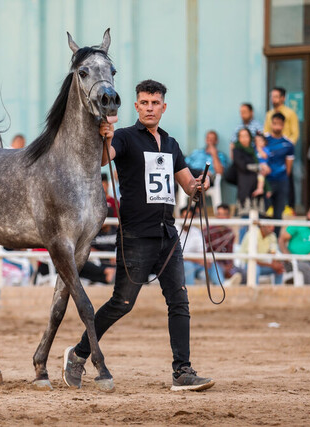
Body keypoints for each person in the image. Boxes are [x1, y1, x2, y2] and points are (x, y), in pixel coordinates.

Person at [63, 79, 214, 392]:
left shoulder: (171, 145)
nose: (149, 108)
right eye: (144, 103)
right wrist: (104, 137)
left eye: (155, 103)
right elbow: (105, 158)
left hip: (167, 235)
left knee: (179, 301)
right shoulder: (125, 138)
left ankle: (182, 371)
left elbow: (187, 184)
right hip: (135, 235)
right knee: (122, 303)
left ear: (163, 107)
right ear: (136, 106)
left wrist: (200, 185)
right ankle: (78, 354)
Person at [264, 87, 299, 210]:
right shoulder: (269, 114)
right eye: (272, 96)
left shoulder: (290, 113)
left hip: (285, 152)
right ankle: (269, 207)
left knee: (287, 177)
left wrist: (285, 148)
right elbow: (265, 133)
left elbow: (295, 134)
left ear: (283, 98)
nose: (273, 99)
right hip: (270, 153)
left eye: (276, 96)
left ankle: (290, 207)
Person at [262, 113, 294, 230]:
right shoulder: (264, 140)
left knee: (278, 214)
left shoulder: (288, 144)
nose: (277, 127)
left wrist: (283, 178)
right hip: (266, 182)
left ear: (283, 125)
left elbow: (289, 166)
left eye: (280, 124)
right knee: (263, 211)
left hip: (281, 181)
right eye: (275, 123)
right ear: (271, 124)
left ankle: (274, 242)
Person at [178, 206, 225, 286]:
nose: (186, 220)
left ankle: (222, 285)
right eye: (185, 217)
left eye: (189, 217)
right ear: (180, 217)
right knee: (188, 265)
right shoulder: (175, 230)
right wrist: (198, 260)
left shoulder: (196, 232)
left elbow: (202, 251)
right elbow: (179, 255)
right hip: (181, 264)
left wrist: (204, 261)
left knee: (213, 264)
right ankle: (189, 292)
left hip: (196, 264)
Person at [238, 216, 284, 285]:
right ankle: (255, 293)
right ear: (262, 226)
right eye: (269, 225)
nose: (272, 227)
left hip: (262, 264)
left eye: (273, 225)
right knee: (255, 269)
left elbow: (273, 253)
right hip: (246, 265)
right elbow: (253, 260)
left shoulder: (272, 236)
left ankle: (277, 293)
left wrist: (276, 264)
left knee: (280, 269)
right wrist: (271, 265)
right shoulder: (252, 234)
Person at [206, 204, 244, 285]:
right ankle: (224, 285)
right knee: (215, 267)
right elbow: (205, 251)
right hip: (212, 264)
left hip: (226, 264)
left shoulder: (230, 233)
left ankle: (230, 284)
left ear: (228, 216)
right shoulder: (207, 231)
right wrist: (223, 267)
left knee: (242, 272)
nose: (221, 217)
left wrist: (229, 266)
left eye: (223, 214)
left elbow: (229, 253)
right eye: (219, 214)